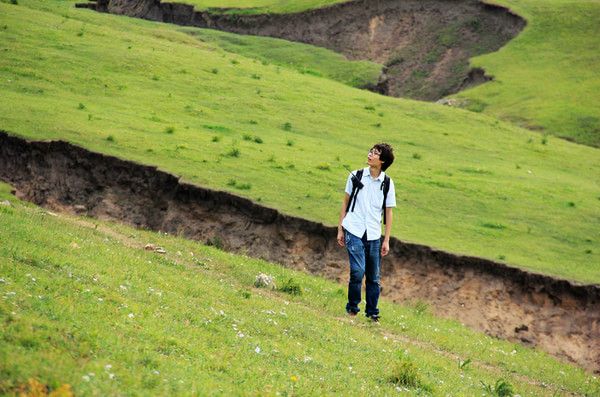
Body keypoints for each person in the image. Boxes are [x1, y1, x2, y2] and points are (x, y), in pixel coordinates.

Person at [337, 143, 396, 322]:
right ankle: (352, 308)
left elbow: (388, 212)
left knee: (373, 277)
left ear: (382, 161)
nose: (370, 154)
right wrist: (340, 229)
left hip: (373, 234)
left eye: (375, 153)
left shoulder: (387, 183)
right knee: (357, 271)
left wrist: (386, 240)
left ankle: (372, 312)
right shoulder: (356, 175)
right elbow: (345, 203)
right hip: (353, 229)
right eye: (370, 151)